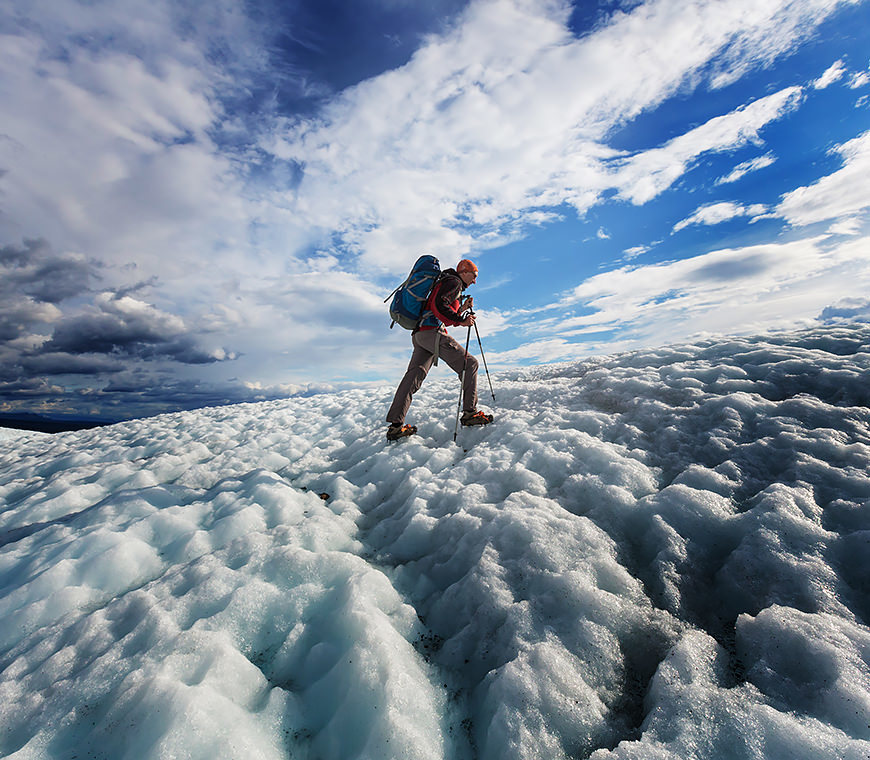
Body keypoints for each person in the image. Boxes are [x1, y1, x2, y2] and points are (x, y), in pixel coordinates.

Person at [386, 258, 493, 440]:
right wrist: (461, 320)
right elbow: (439, 307)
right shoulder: (454, 282)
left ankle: (395, 426)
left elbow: (438, 309)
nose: (475, 281)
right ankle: (470, 413)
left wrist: (461, 309)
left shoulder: (445, 281)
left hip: (421, 335)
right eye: (473, 276)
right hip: (432, 333)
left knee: (412, 378)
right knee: (470, 364)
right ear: (464, 272)